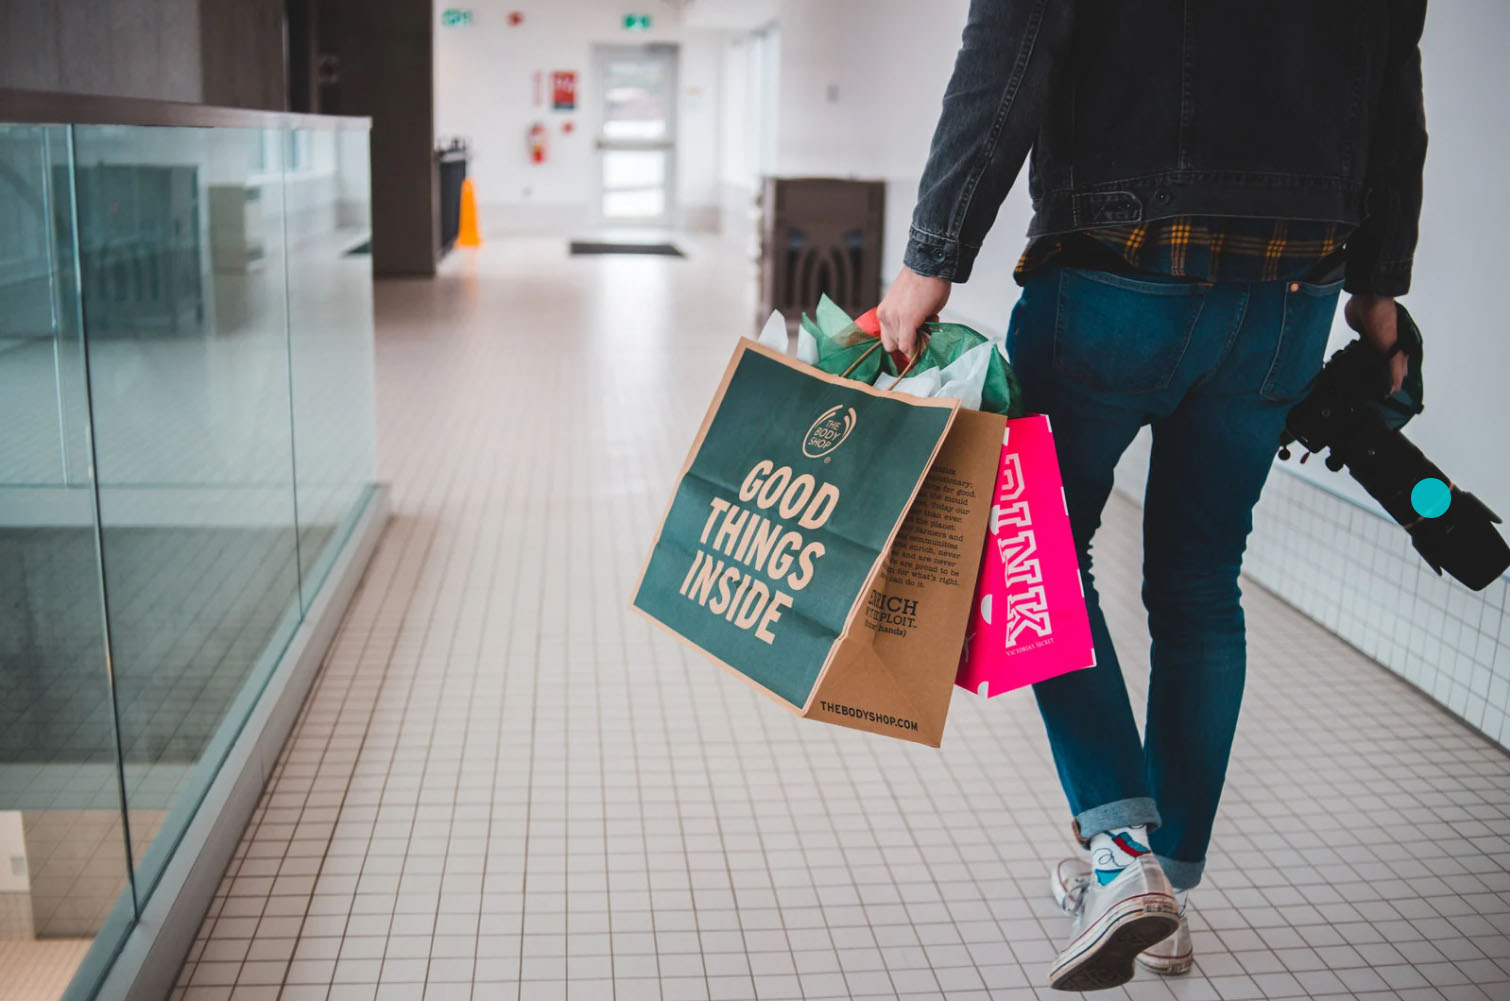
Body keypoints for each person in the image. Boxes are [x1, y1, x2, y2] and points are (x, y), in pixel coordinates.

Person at [877, 0, 1427, 991]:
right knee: (1199, 584)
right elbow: (1396, 97)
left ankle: (1121, 856)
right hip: (1289, 295)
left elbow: (1007, 56)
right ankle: (1169, 888)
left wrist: (930, 259)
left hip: (1110, 277)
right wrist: (1377, 298)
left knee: (1037, 548)